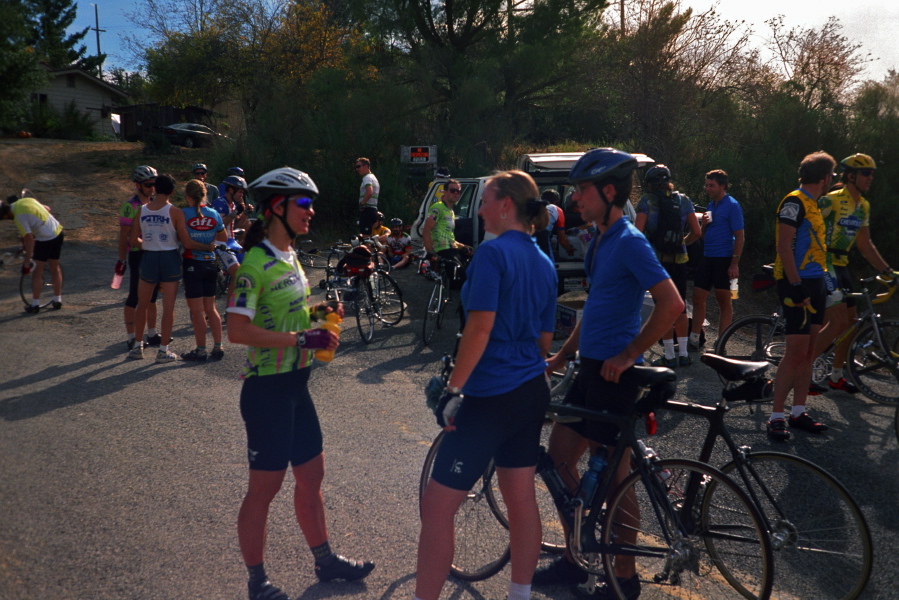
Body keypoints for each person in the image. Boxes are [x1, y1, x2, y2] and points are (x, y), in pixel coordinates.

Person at [536, 148, 683, 596]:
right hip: (588, 371)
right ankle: (575, 556)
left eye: (582, 190)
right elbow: (594, 309)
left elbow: (672, 304)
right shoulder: (600, 240)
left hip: (614, 377)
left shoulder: (630, 242)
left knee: (618, 480)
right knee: (559, 459)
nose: (575, 198)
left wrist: (631, 353)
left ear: (609, 191)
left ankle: (625, 577)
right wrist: (562, 357)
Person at [227, 167, 374, 600]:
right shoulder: (254, 265)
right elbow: (237, 331)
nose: (311, 213)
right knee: (264, 489)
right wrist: (298, 337)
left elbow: (289, 317)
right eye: (304, 205)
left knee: (312, 475)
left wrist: (319, 317)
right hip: (267, 392)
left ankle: (325, 560)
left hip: (297, 386)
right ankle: (257, 581)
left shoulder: (289, 255)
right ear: (278, 207)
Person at [414, 170, 557, 600]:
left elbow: (478, 328)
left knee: (438, 508)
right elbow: (545, 340)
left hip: (491, 393)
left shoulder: (492, 256)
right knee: (521, 498)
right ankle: (519, 595)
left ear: (506, 205)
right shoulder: (544, 261)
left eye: (485, 200)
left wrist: (453, 391)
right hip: (531, 389)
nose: (478, 208)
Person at [767, 152, 835, 441]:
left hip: (817, 280)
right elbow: (784, 245)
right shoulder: (794, 201)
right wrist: (795, 285)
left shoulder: (814, 203)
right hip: (797, 283)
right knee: (794, 353)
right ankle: (776, 416)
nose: (833, 180)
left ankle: (798, 412)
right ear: (824, 177)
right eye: (832, 175)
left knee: (808, 352)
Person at [812, 153, 893, 394]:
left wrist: (888, 271)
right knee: (836, 322)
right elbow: (805, 226)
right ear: (850, 176)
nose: (870, 178)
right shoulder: (832, 200)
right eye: (866, 173)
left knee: (851, 324)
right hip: (824, 262)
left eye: (872, 174)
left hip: (842, 264)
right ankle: (803, 369)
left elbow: (865, 245)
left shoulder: (863, 206)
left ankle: (836, 375)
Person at [128, 174, 214, 363]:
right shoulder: (175, 212)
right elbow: (187, 242)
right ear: (172, 192)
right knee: (169, 307)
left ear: (155, 189)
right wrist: (207, 247)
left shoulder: (142, 210)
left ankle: (137, 346)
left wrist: (150, 245)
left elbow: (133, 240)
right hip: (169, 258)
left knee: (142, 304)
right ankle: (163, 351)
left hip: (149, 257)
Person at [635, 164, 702, 367]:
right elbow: (697, 232)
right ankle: (683, 354)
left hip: (657, 262)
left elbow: (638, 232)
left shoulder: (647, 201)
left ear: (649, 183)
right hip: (679, 261)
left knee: (662, 307)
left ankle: (669, 356)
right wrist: (683, 242)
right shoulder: (684, 200)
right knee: (680, 306)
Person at [688, 169, 744, 351]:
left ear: (722, 186)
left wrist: (734, 263)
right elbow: (704, 237)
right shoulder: (711, 205)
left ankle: (722, 342)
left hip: (724, 259)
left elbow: (740, 236)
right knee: (698, 297)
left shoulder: (732, 205)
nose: (708, 188)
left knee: (724, 301)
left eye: (711, 185)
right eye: (706, 185)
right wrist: (703, 226)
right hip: (708, 257)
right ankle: (694, 339)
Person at [181, 179, 227, 361]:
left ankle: (200, 350)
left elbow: (180, 239)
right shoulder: (214, 213)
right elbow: (223, 236)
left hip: (193, 263)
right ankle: (218, 346)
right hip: (210, 264)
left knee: (197, 311)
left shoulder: (182, 214)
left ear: (188, 197)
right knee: (211, 308)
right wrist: (209, 238)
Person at [118, 165, 161, 349]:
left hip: (154, 253)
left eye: (154, 184)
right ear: (138, 185)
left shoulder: (156, 203)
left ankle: (151, 333)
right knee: (135, 297)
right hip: (137, 254)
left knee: (152, 297)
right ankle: (131, 336)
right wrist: (121, 259)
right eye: (148, 184)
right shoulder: (130, 206)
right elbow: (123, 236)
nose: (152, 187)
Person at [0, 194, 65, 313]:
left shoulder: (18, 217)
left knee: (37, 271)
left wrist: (26, 262)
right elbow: (47, 209)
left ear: (5, 214)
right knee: (54, 268)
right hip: (57, 232)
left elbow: (29, 239)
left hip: (45, 239)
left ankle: (35, 305)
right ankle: (57, 300)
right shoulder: (27, 200)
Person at [422, 178, 470, 281]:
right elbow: (426, 230)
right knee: (461, 278)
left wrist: (464, 247)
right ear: (445, 192)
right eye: (453, 190)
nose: (456, 193)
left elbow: (449, 237)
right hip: (442, 250)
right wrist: (430, 252)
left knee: (470, 268)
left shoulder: (450, 211)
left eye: (458, 191)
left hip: (451, 248)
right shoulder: (437, 208)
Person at [212, 175, 252, 251]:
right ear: (231, 190)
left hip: (231, 241)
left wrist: (245, 213)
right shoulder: (220, 203)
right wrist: (235, 213)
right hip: (220, 242)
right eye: (240, 192)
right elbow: (219, 226)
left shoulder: (232, 204)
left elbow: (237, 225)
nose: (241, 195)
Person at [533, 189, 575, 261]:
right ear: (556, 201)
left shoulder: (534, 207)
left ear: (542, 199)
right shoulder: (557, 210)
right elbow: (562, 239)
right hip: (541, 235)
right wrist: (569, 249)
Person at [355, 157, 380, 235]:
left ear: (365, 166)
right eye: (356, 167)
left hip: (367, 209)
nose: (357, 169)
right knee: (370, 236)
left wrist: (362, 203)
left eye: (358, 166)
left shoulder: (367, 178)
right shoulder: (373, 177)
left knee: (365, 237)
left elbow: (369, 192)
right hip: (372, 209)